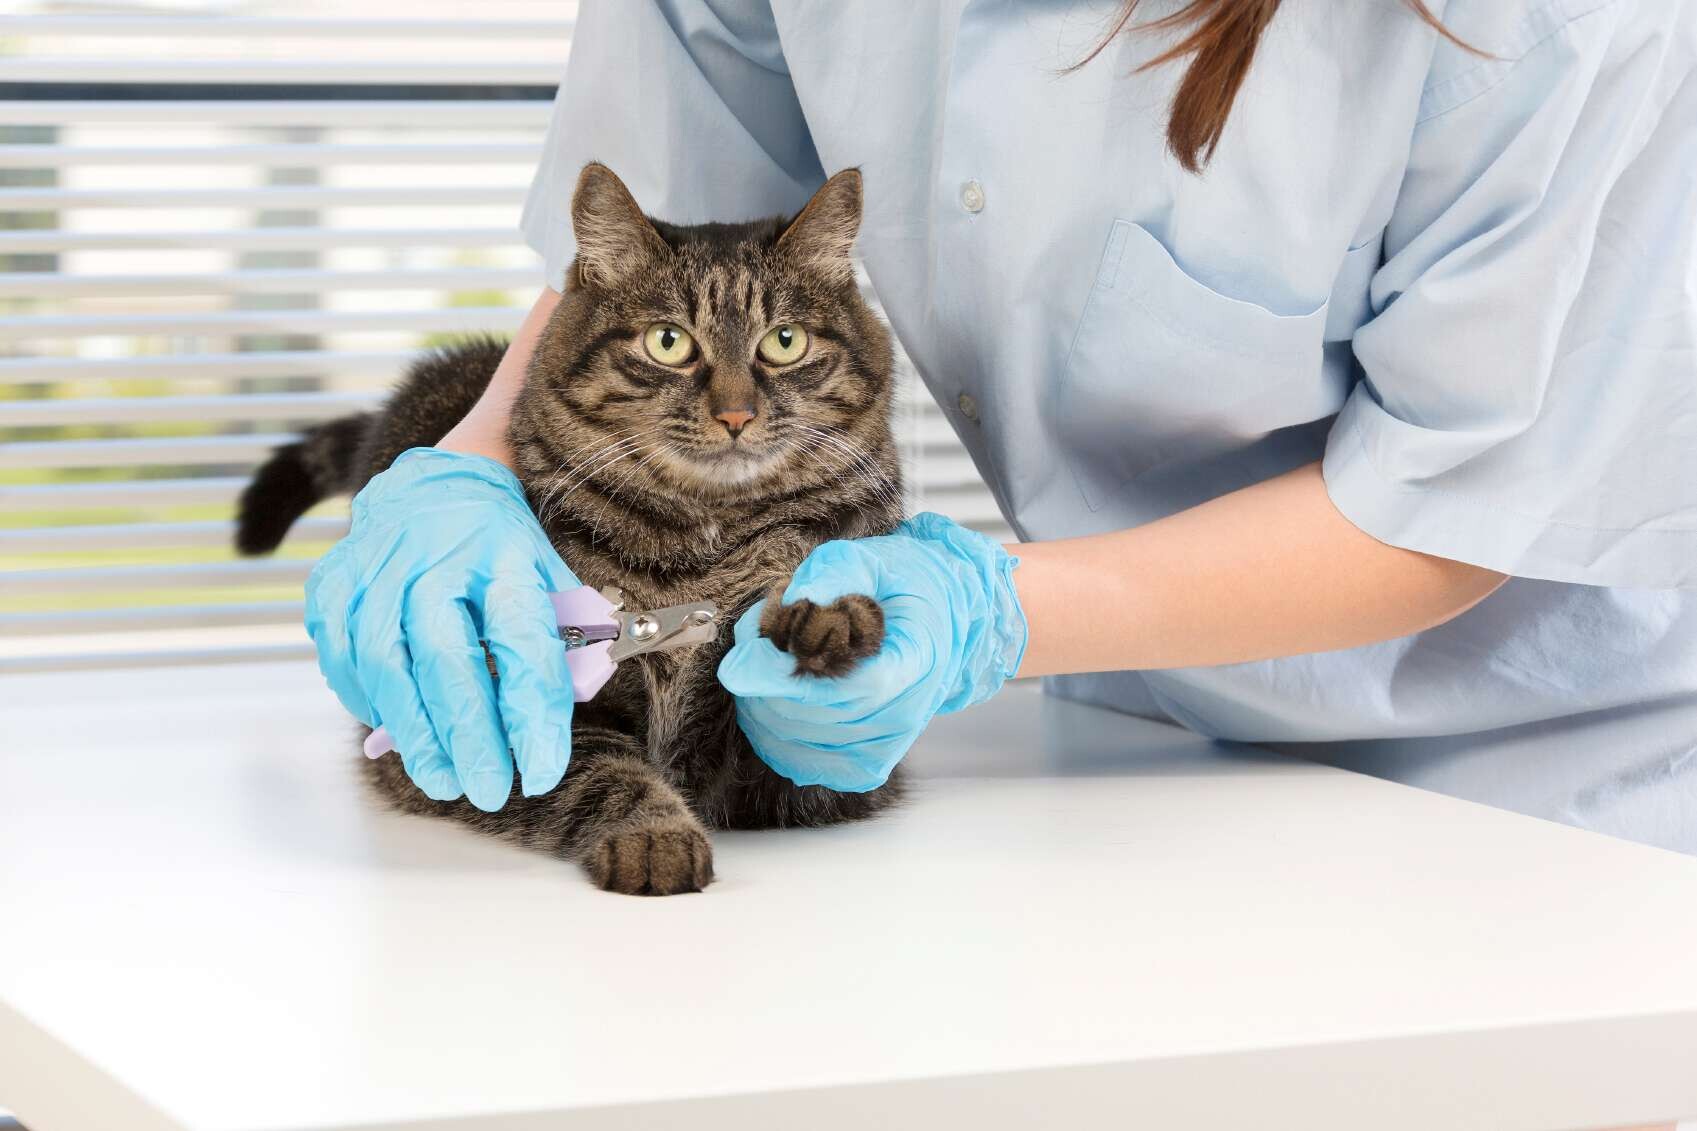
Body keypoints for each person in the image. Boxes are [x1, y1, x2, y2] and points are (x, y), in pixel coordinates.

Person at [305, 0, 1697, 857]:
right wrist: (465, 469)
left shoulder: (1557, 25)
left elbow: (1450, 500)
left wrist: (979, 611)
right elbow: (654, 243)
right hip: (1122, 758)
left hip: (1529, 792)